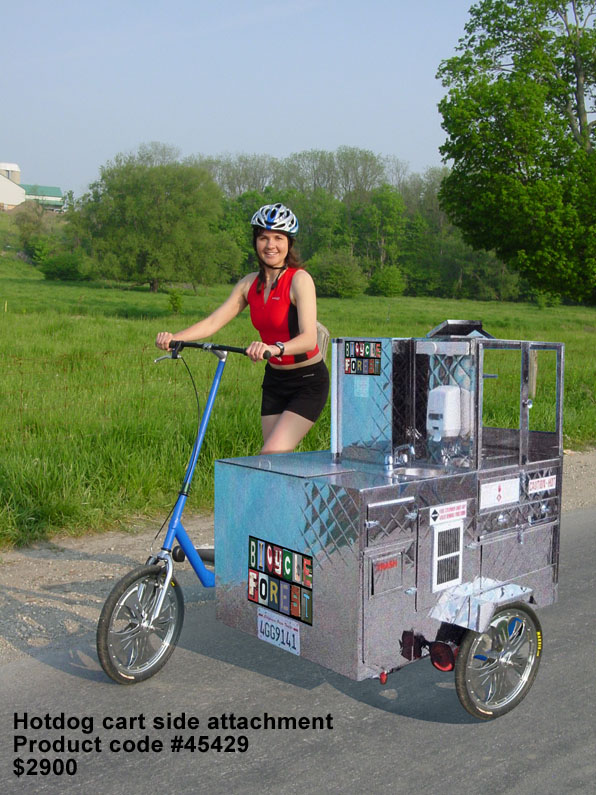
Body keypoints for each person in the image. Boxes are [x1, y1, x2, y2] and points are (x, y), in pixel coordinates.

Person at [155, 202, 329, 454]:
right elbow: (214, 322)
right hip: (275, 380)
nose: (270, 245)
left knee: (271, 454)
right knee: (272, 465)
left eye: (278, 238)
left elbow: (309, 339)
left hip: (308, 381)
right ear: (255, 242)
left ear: (289, 243)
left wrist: (273, 348)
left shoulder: (299, 280)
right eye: (263, 238)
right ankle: (288, 494)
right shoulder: (249, 284)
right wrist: (174, 338)